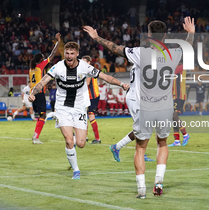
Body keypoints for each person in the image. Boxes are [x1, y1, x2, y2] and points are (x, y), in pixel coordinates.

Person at [83, 16, 195, 198]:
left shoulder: (139, 53)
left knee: (141, 148)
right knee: (162, 143)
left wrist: (96, 37)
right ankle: (158, 182)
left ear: (149, 35)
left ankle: (141, 190)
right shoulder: (174, 53)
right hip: (165, 107)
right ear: (165, 35)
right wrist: (190, 34)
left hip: (145, 107)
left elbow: (114, 48)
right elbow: (187, 47)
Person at [28, 41, 129, 179]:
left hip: (80, 107)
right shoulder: (58, 67)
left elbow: (105, 77)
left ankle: (72, 147)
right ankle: (76, 170)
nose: (69, 56)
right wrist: (33, 92)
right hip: (63, 108)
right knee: (69, 141)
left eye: (72, 53)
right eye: (67, 53)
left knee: (81, 143)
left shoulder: (84, 67)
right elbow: (43, 81)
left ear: (77, 54)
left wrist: (121, 84)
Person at [29, 33, 60, 144]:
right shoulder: (40, 66)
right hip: (39, 92)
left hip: (32, 93)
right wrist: (58, 42)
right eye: (43, 58)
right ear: (40, 60)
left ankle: (35, 135)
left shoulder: (31, 69)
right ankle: (36, 137)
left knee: (41, 115)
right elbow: (53, 55)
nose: (44, 60)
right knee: (43, 115)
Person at [168, 63, 190, 147]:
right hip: (173, 96)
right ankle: (177, 141)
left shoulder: (181, 67)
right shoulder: (174, 66)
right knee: (173, 118)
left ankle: (185, 134)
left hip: (179, 95)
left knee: (174, 116)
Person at [82, 55, 101, 144]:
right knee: (84, 116)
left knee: (90, 115)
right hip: (89, 96)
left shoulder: (89, 70)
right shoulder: (87, 70)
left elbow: (87, 83)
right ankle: (84, 136)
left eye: (84, 61)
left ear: (89, 62)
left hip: (92, 97)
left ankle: (97, 139)